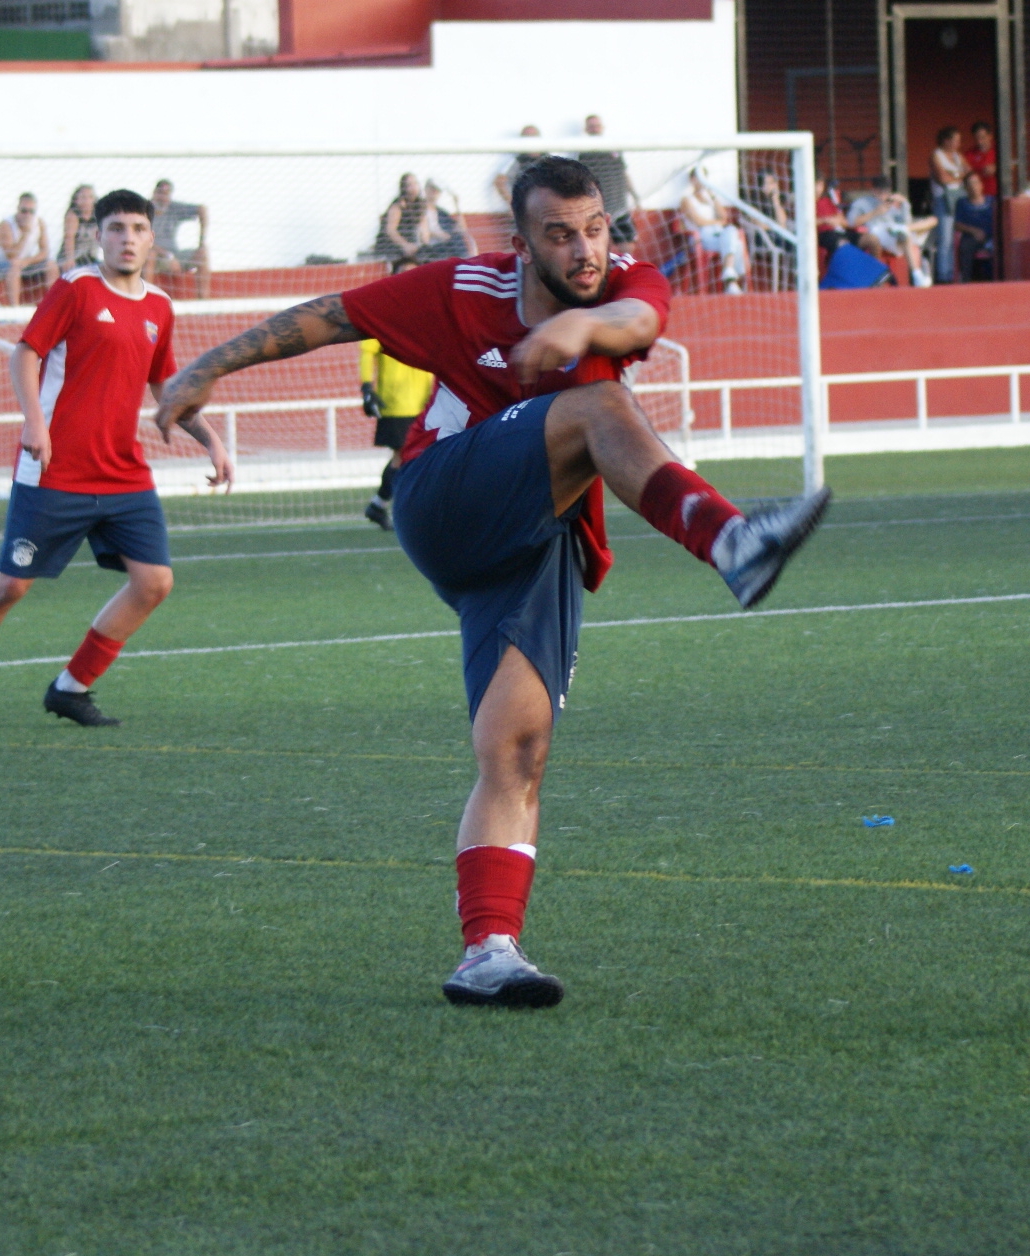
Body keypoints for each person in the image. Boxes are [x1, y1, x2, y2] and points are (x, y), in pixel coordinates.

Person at [152, 155, 831, 1008]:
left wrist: (583, 330)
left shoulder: (627, 281)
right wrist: (206, 368)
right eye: (561, 235)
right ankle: (730, 541)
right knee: (598, 407)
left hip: (536, 535)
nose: (585, 251)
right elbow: (332, 315)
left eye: (595, 230)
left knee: (516, 749)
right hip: (442, 499)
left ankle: (488, 952)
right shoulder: (463, 287)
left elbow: (635, 315)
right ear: (521, 243)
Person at [0, 189, 233, 734]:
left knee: (154, 582)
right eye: (116, 228)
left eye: (138, 229)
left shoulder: (159, 306)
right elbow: (25, 354)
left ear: (151, 238)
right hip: (54, 470)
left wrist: (211, 440)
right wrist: (34, 421)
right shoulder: (75, 289)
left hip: (122, 473)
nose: (127, 239)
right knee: (9, 588)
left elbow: (165, 387)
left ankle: (70, 689)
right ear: (97, 236)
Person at [358, 278, 436, 532]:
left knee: (418, 455)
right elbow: (367, 351)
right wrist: (366, 387)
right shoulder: (384, 315)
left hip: (424, 399)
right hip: (397, 402)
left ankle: (379, 505)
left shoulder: (426, 316)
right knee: (405, 456)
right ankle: (391, 506)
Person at [673, 173, 750, 295]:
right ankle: (732, 282)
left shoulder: (709, 199)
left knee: (732, 231)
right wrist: (717, 222)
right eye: (698, 178)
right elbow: (698, 221)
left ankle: (729, 274)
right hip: (701, 237)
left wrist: (712, 196)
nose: (701, 182)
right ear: (692, 180)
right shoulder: (687, 200)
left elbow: (724, 217)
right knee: (736, 244)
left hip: (718, 234)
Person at [576, 115, 635, 243]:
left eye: (597, 126)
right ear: (586, 129)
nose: (595, 129)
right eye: (591, 126)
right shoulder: (584, 152)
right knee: (604, 241)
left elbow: (623, 173)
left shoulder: (613, 147)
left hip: (620, 204)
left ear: (602, 127)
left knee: (628, 241)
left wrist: (635, 196)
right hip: (600, 205)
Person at [0, 192, 52, 307]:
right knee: (14, 267)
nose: (27, 215)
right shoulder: (6, 225)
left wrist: (27, 261)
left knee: (51, 265)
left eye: (31, 211)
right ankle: (14, 308)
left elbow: (44, 252)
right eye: (24, 211)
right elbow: (11, 255)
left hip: (22, 262)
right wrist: (25, 234)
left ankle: (53, 304)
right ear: (18, 209)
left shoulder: (39, 223)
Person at [149, 180, 211, 286]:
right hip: (156, 257)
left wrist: (202, 242)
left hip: (174, 255)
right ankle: (146, 294)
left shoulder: (173, 208)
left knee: (202, 254)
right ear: (154, 193)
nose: (162, 198)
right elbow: (144, 242)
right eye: (160, 193)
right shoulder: (145, 210)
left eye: (166, 194)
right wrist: (167, 256)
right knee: (150, 255)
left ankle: (203, 297)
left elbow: (201, 209)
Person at [928, 126, 968, 270]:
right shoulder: (936, 155)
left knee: (960, 236)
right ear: (946, 140)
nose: (958, 144)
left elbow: (968, 172)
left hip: (960, 199)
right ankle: (944, 274)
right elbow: (942, 178)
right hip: (943, 200)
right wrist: (958, 176)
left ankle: (959, 272)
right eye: (955, 140)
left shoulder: (958, 156)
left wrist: (953, 175)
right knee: (945, 238)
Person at [951, 169, 997, 281]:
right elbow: (957, 224)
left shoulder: (991, 201)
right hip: (972, 237)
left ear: (981, 185)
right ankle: (965, 281)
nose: (974, 186)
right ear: (965, 188)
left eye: (976, 183)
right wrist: (974, 231)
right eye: (970, 184)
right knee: (965, 247)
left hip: (992, 236)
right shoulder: (961, 203)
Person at [376, 172, 429, 264]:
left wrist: (424, 244)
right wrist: (405, 245)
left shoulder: (420, 204)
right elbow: (390, 231)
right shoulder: (398, 205)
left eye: (415, 184)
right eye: (409, 185)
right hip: (393, 245)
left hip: (411, 243)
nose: (413, 188)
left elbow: (424, 229)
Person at [492, 125, 546, 208]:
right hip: (525, 205)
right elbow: (499, 181)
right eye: (526, 138)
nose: (529, 141)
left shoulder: (548, 159)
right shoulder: (518, 160)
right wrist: (511, 204)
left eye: (532, 137)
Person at [59, 183, 99, 269]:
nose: (87, 201)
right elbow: (69, 238)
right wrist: (69, 259)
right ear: (76, 200)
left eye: (90, 197)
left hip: (90, 257)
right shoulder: (73, 215)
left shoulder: (98, 215)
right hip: (73, 258)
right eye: (83, 197)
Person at [968, 122, 998, 198]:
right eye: (976, 138)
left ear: (990, 136)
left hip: (998, 195)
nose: (979, 142)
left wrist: (997, 168)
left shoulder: (1000, 150)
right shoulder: (969, 154)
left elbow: (1013, 165)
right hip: (979, 198)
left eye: (982, 137)